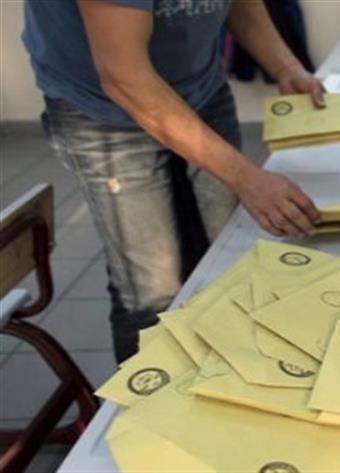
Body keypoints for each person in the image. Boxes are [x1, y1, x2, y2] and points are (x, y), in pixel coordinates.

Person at [23, 0, 324, 362]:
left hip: (200, 87)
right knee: (152, 290)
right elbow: (124, 78)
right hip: (105, 109)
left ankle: (230, 372)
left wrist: (286, 67)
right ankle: (151, 393)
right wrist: (247, 178)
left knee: (230, 256)